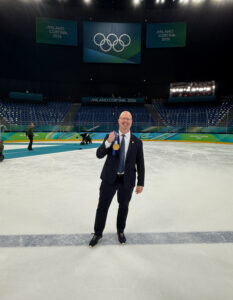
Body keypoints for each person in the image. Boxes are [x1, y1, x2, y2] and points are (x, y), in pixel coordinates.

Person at [89, 111, 145, 247]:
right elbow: (99, 155)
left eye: (128, 119)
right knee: (102, 207)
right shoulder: (110, 136)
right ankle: (97, 233)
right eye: (123, 118)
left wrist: (140, 183)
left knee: (123, 207)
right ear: (118, 121)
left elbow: (141, 163)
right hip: (109, 179)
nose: (125, 121)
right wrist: (108, 142)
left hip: (127, 181)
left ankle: (120, 231)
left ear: (131, 122)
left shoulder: (137, 142)